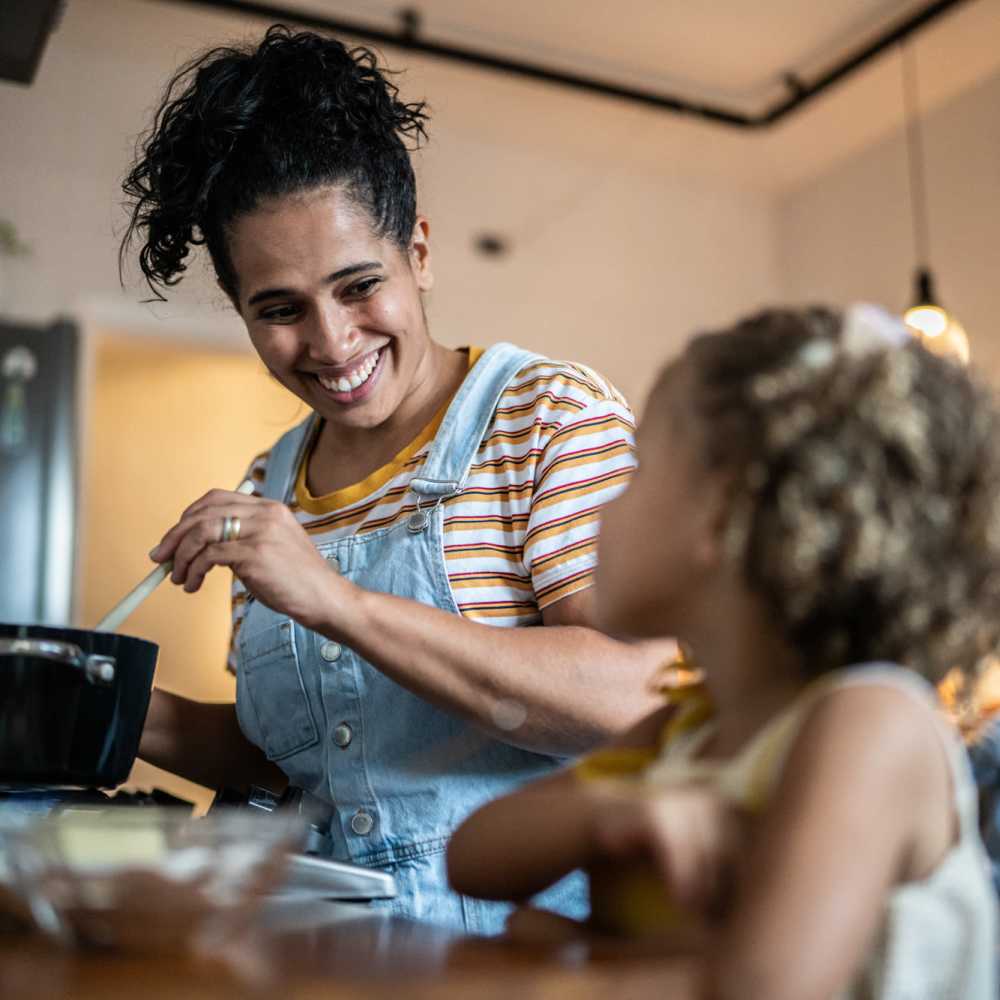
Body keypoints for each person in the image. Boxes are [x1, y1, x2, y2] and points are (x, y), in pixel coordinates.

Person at [119, 25, 670, 933]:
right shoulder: (272, 481)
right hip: (319, 954)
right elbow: (296, 769)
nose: (332, 344)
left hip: (515, 965)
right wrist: (105, 699)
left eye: (358, 285)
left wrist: (338, 600)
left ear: (418, 251)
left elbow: (637, 694)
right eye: (280, 310)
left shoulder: (546, 418)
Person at [447, 304, 1000, 997]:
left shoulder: (869, 723)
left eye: (637, 469)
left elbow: (761, 990)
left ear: (720, 513)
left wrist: (578, 962)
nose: (602, 509)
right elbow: (470, 860)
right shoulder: (691, 725)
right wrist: (610, 812)